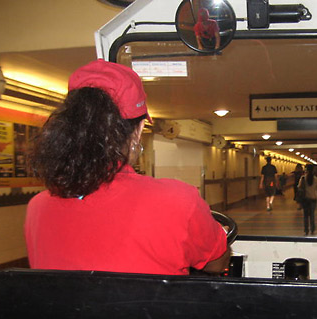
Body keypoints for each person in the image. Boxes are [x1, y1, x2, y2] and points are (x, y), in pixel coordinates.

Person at [25, 59, 230, 276]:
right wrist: (218, 235)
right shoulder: (178, 200)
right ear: (138, 130)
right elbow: (216, 263)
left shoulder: (37, 208)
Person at [298, 164, 317, 235]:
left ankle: (306, 230)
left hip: (305, 199)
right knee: (312, 215)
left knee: (305, 215)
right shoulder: (316, 179)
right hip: (313, 199)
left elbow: (299, 188)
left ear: (306, 170)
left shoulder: (303, 178)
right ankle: (312, 229)